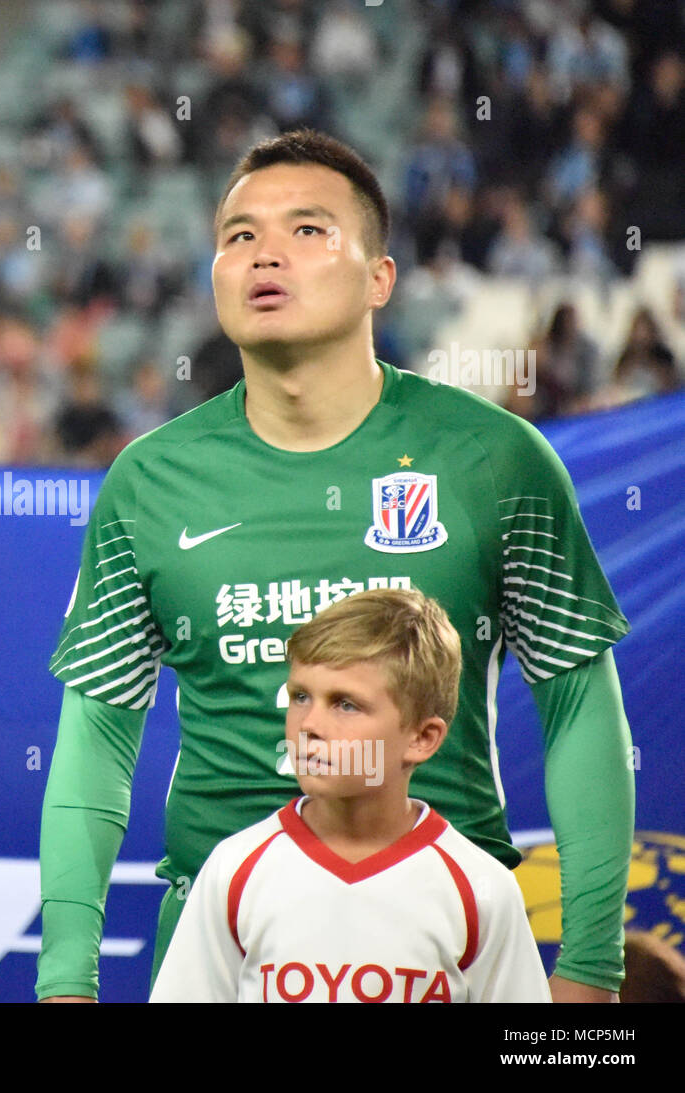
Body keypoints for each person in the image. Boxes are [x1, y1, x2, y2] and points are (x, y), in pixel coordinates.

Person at [38, 129, 631, 1004]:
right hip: (219, 946)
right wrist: (63, 980)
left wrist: (590, 962)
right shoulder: (148, 480)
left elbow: (579, 701)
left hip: (444, 942)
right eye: (238, 235)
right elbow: (96, 733)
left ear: (380, 279)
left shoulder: (496, 460)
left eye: (307, 230)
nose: (263, 253)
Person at [150, 589, 550, 1003]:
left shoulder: (480, 888)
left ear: (421, 737)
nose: (310, 725)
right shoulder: (235, 871)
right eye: (300, 697)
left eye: (345, 705)